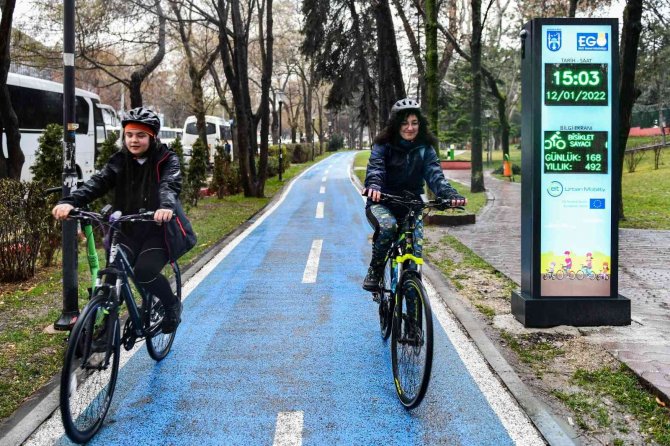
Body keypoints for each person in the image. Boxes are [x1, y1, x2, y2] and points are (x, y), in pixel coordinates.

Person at [52, 107, 183, 333]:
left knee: (144, 272)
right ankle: (104, 330)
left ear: (152, 137)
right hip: (128, 227)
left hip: (157, 229)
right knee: (111, 276)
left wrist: (165, 207)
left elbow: (169, 186)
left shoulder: (167, 159)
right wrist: (71, 201)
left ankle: (171, 305)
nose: (134, 140)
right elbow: (99, 182)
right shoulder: (120, 160)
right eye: (129, 134)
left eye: (141, 135)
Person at [361, 98, 467, 291]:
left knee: (414, 259)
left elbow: (435, 175)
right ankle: (375, 271)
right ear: (395, 125)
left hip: (412, 206)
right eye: (404, 123)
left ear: (420, 124)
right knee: (388, 227)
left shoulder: (425, 148)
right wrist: (374, 187)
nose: (410, 128)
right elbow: (376, 169)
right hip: (383, 202)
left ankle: (413, 318)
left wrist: (449, 194)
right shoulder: (383, 145)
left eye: (414, 123)